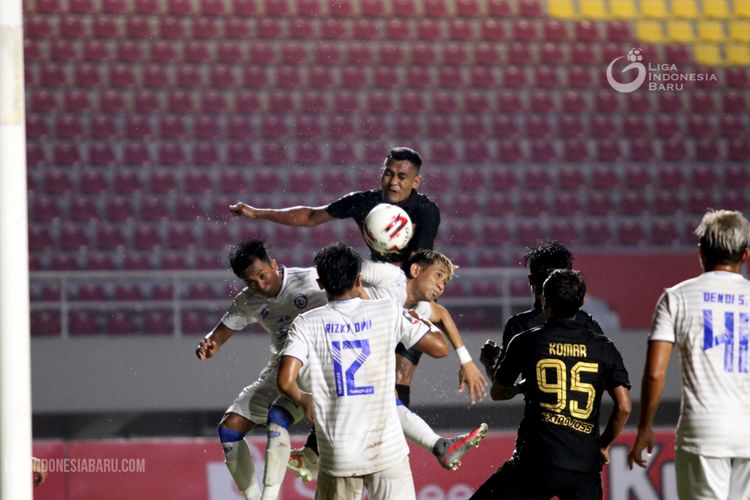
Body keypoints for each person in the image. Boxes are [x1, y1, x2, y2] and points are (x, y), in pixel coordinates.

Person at [285, 250, 488, 486]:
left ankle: (310, 455)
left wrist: (466, 361)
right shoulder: (391, 277)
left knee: (383, 399)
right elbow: (346, 269)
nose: (441, 285)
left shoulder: (418, 307)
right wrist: (364, 299)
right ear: (415, 270)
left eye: (445, 282)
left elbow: (442, 315)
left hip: (342, 357)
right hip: (328, 337)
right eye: (438, 275)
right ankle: (309, 453)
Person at [473, 269, 631, 499]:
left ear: (544, 300)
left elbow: (499, 393)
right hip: (583, 469)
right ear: (582, 302)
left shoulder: (526, 341)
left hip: (535, 463)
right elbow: (624, 407)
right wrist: (603, 445)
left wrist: (491, 366)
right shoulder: (603, 347)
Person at [628, 209, 750, 500]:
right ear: (745, 255)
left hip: (703, 433)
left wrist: (645, 426)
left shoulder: (676, 298)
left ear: (701, 252)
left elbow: (655, 372)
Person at [195, 239, 328, 500]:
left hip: (319, 369)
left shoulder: (311, 280)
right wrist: (211, 345)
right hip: (281, 370)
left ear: (274, 265)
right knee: (229, 429)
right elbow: (218, 335)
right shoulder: (248, 301)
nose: (260, 285)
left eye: (262, 276)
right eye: (251, 282)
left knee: (278, 419)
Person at [229, 146, 440, 265]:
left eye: (402, 177)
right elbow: (311, 216)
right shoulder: (363, 202)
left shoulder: (426, 210)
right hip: (378, 285)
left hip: (413, 289)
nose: (393, 182)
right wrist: (256, 213)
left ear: (416, 182)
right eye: (388, 174)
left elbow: (419, 263)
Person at [480, 241, 604, 380]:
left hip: (540, 403)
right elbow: (611, 380)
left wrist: (489, 362)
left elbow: (501, 391)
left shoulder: (520, 325)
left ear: (531, 280)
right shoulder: (590, 325)